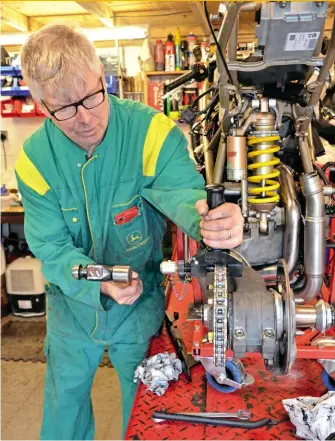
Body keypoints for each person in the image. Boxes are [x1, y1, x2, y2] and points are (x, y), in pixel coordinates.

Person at [15, 24, 244, 440]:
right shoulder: (34, 160)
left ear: (102, 77)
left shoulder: (150, 133)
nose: (84, 118)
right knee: (64, 409)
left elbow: (182, 194)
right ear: (41, 105)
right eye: (64, 108)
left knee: (144, 408)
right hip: (73, 307)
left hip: (141, 304)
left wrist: (211, 221)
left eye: (91, 97)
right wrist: (101, 280)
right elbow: (51, 247)